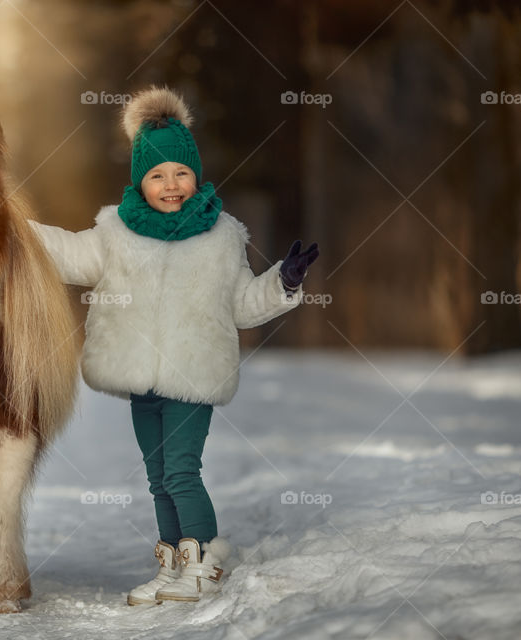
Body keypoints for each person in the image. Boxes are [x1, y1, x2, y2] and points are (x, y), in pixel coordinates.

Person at [29, 86, 319, 605]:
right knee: (159, 476)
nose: (171, 184)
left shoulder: (223, 235)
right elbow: (70, 255)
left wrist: (284, 282)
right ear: (141, 180)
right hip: (140, 374)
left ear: (196, 175)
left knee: (182, 470)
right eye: (158, 175)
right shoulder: (115, 231)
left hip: (193, 372)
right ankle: (173, 563)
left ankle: (204, 561)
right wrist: (14, 227)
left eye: (181, 173)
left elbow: (242, 304)